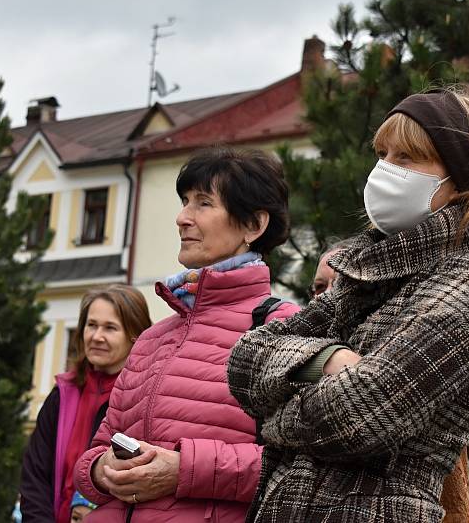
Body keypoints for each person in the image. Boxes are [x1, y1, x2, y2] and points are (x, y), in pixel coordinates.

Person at [228, 88, 469, 522]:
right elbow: (244, 361)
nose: (385, 170)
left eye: (407, 157)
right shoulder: (365, 270)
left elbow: (361, 415)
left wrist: (274, 424)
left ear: (462, 176)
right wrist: (329, 359)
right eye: (383, 154)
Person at [73, 147, 298, 522]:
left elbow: (299, 467)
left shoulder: (281, 328)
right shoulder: (151, 340)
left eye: (203, 203)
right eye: (184, 202)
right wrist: (102, 469)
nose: (182, 218)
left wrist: (183, 470)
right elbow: (94, 454)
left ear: (253, 226)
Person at [311, 237, 469, 522]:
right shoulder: (298, 357)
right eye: (319, 287)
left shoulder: (413, 367)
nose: (326, 297)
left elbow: (454, 501)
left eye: (340, 285)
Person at [20, 285, 152, 523]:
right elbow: (35, 476)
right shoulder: (63, 393)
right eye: (91, 325)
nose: (96, 336)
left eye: (110, 328)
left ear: (135, 335)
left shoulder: (145, 398)